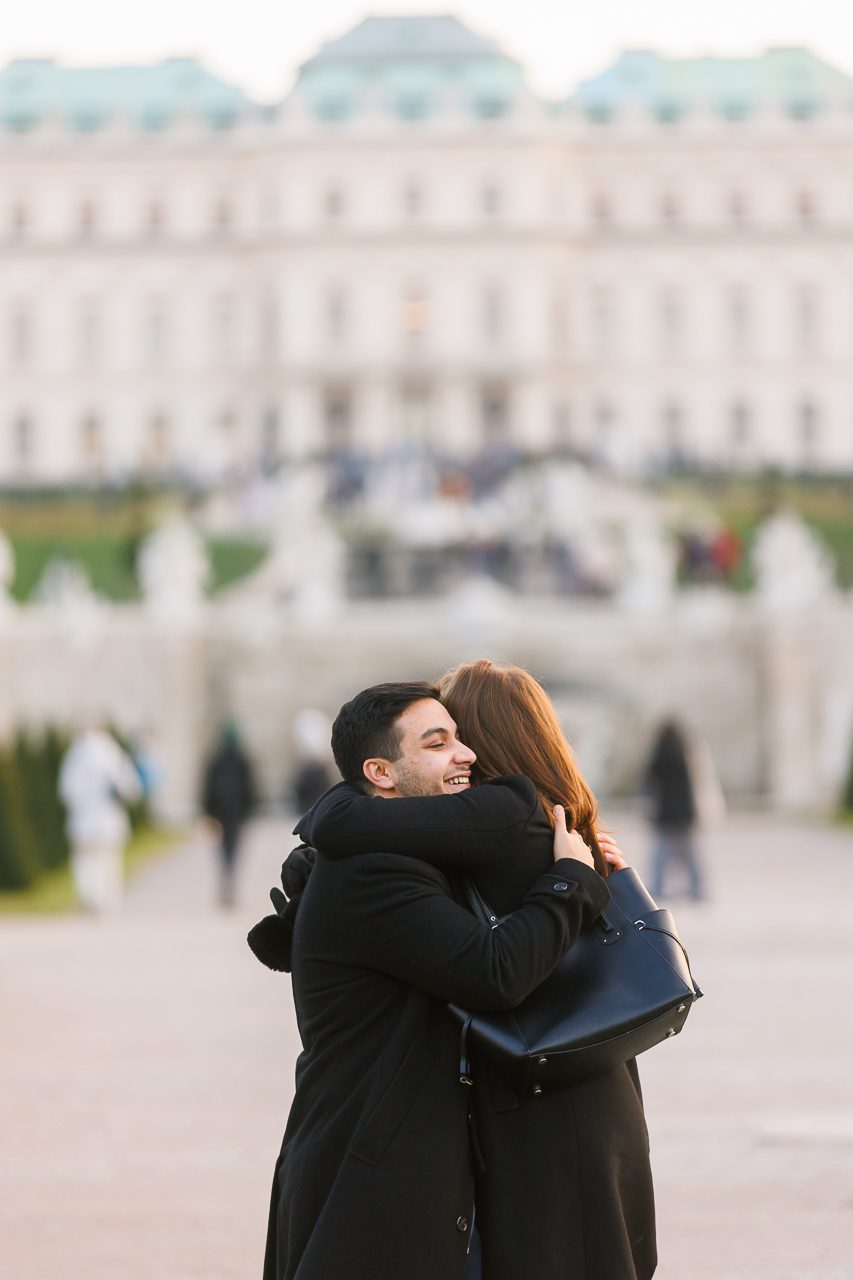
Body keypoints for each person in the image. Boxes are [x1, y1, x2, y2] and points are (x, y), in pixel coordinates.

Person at [298, 660, 656, 1280]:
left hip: (542, 1101)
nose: (460, 753)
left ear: (486, 742)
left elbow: (489, 967)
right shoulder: (533, 825)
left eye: (460, 734)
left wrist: (326, 831)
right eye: (440, 740)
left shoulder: (507, 815)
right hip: (589, 1084)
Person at [58, 723, 142, 913]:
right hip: (108, 819)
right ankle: (107, 899)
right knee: (109, 860)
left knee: (85, 861)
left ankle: (89, 897)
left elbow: (66, 790)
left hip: (83, 820)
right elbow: (131, 786)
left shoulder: (76, 755)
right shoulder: (112, 753)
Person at [643, 718, 704, 902]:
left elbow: (649, 788)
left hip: (664, 813)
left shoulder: (657, 758)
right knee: (690, 855)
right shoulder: (683, 757)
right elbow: (691, 789)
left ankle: (657, 887)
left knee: (660, 855)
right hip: (684, 814)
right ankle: (696, 888)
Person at [202, 723, 256, 907]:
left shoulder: (218, 760)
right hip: (235, 811)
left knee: (225, 849)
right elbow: (250, 788)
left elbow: (208, 787)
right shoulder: (241, 760)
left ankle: (228, 883)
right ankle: (229, 882)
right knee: (232, 848)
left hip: (223, 811)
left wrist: (208, 810)